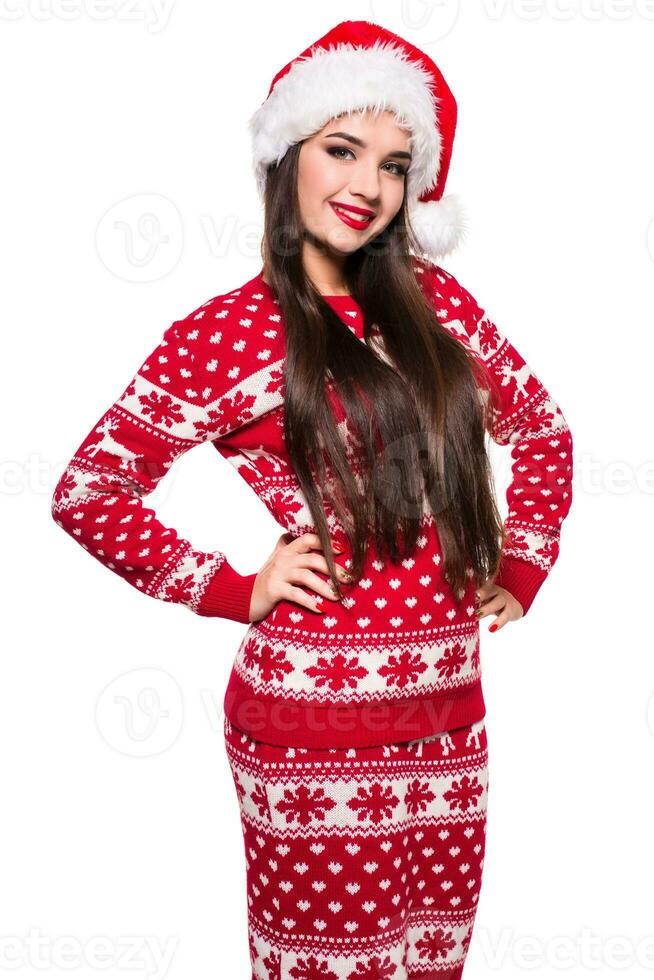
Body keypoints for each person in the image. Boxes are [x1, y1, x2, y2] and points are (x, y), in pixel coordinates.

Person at [51, 19, 574, 979]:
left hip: (451, 719)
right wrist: (230, 587)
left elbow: (542, 430)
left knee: (432, 965)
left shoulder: (438, 305)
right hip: (311, 736)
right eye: (341, 149)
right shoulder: (226, 335)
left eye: (394, 164)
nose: (366, 186)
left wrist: (524, 561)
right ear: (287, 155)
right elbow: (89, 491)